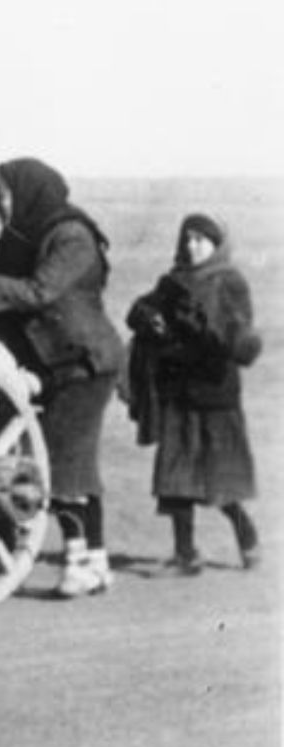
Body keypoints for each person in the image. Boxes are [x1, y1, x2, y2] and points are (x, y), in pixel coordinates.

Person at [0, 158, 126, 598]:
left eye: (3, 194)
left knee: (61, 459)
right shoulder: (26, 236)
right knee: (75, 459)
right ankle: (95, 562)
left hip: (84, 361)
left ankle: (78, 563)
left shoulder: (72, 237)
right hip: (57, 362)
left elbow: (39, 293)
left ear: (27, 194)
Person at [125, 213, 263, 573]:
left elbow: (238, 337)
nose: (191, 245)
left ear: (216, 245)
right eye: (187, 238)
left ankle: (246, 534)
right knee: (175, 475)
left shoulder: (230, 282)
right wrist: (148, 318)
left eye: (201, 239)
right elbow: (139, 310)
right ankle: (185, 553)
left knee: (219, 478)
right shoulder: (172, 281)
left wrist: (200, 324)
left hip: (215, 392)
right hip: (177, 390)